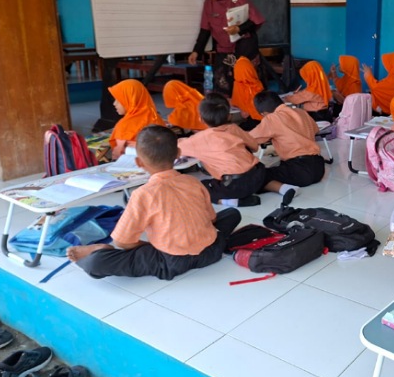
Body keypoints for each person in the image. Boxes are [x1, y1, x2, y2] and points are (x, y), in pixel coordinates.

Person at [68, 126, 241, 280]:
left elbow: (122, 242)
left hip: (171, 261)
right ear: (178, 154)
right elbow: (211, 219)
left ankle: (100, 250)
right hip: (211, 251)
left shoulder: (142, 194)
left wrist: (149, 247)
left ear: (138, 162)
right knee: (232, 214)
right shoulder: (193, 182)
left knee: (97, 263)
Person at [178, 94, 265, 207]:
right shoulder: (234, 128)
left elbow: (175, 147)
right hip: (258, 175)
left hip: (234, 186)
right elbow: (255, 147)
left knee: (198, 186)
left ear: (201, 119)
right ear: (229, 116)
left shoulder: (200, 139)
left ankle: (230, 201)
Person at [188, 0, 265, 96]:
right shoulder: (209, 3)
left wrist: (239, 29)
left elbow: (255, 21)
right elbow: (205, 29)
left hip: (244, 47)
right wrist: (196, 51)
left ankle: (249, 105)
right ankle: (226, 106)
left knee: (246, 83)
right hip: (224, 48)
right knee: (222, 84)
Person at [251, 91, 324, 198]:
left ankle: (285, 189)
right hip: (319, 168)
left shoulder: (272, 118)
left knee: (256, 177)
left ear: (264, 113)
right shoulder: (301, 112)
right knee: (277, 168)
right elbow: (315, 129)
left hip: (299, 170)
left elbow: (250, 139)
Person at [108, 79, 165, 160]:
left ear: (131, 100)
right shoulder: (155, 117)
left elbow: (118, 153)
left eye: (119, 100)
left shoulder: (125, 125)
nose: (114, 103)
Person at [231, 56, 264, 129]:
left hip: (256, 120)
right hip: (262, 119)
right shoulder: (257, 84)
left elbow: (245, 114)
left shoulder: (240, 85)